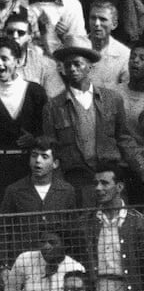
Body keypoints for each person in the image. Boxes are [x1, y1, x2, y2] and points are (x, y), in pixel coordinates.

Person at [43, 44, 144, 203]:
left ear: (89, 66)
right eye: (68, 65)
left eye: (77, 64)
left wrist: (141, 168)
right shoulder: (53, 106)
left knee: (115, 222)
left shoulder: (112, 99)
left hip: (109, 176)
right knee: (82, 225)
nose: (72, 69)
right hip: (75, 180)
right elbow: (51, 148)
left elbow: (124, 139)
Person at [0, 32, 50, 213]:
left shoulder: (35, 92)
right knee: (1, 217)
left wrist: (34, 140)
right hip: (0, 168)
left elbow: (47, 132)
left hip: (29, 166)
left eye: (4, 58)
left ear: (17, 61)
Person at [0, 137, 77, 264]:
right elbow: (3, 230)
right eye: (34, 156)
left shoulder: (67, 191)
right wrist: (4, 264)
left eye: (44, 157)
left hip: (56, 262)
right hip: (23, 262)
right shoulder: (14, 190)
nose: (37, 161)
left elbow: (72, 231)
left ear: (55, 163)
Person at [84, 2, 131, 90]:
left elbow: (125, 91)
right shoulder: (75, 45)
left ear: (114, 24)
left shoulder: (125, 55)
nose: (97, 23)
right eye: (93, 18)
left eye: (103, 19)